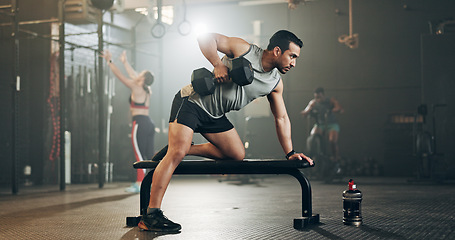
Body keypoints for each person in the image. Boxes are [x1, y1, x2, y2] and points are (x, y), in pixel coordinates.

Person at [138, 30, 313, 232]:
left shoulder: (274, 83)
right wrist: (218, 64)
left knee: (236, 154)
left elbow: (281, 118)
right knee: (177, 153)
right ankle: (151, 215)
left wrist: (290, 153)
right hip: (192, 102)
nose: (294, 63)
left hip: (215, 115)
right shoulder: (243, 50)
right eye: (292, 56)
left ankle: (185, 147)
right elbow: (205, 37)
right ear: (276, 51)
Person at [101, 50, 156, 193]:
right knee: (148, 156)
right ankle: (149, 183)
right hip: (149, 123)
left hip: (139, 123)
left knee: (138, 154)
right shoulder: (147, 89)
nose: (138, 74)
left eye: (141, 74)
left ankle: (139, 183)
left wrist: (110, 61)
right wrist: (125, 62)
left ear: (143, 78)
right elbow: (134, 74)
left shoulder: (136, 87)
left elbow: (120, 76)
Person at [300, 87, 343, 171]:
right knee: (313, 137)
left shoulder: (331, 100)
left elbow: (339, 108)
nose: (318, 99)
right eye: (316, 97)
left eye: (319, 97)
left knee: (332, 141)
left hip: (331, 124)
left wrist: (334, 109)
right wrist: (305, 113)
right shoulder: (313, 103)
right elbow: (306, 110)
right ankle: (316, 155)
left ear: (323, 95)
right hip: (320, 124)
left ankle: (335, 158)